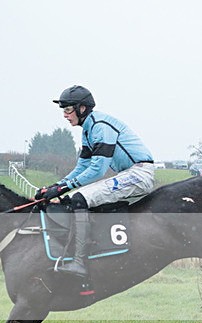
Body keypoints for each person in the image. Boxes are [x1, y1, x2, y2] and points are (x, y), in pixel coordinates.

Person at [37, 85, 155, 278]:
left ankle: (79, 263)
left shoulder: (100, 127)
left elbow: (97, 170)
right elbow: (82, 167)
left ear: (82, 108)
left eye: (68, 110)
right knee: (76, 197)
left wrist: (62, 189)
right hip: (127, 174)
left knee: (79, 198)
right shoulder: (87, 130)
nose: (65, 115)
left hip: (139, 174)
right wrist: (56, 187)